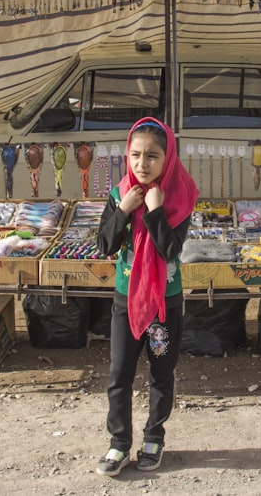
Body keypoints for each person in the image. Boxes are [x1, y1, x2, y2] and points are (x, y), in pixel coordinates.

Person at [95, 117, 199, 477]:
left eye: (152, 156)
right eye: (136, 155)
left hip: (163, 304)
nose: (142, 164)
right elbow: (104, 245)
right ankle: (118, 443)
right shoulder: (119, 193)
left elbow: (169, 250)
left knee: (161, 373)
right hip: (126, 301)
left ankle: (154, 437)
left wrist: (155, 211)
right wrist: (123, 209)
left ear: (167, 158)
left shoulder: (181, 196)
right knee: (119, 375)